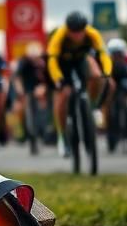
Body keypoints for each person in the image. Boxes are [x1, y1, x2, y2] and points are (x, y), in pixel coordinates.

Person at [47, 11, 112, 156]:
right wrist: (58, 79)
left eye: (80, 32)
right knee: (63, 94)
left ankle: (92, 107)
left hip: (81, 60)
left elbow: (103, 54)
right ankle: (62, 136)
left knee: (97, 76)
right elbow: (52, 60)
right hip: (62, 64)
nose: (77, 36)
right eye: (73, 32)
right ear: (68, 30)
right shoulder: (59, 36)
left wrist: (106, 72)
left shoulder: (92, 34)